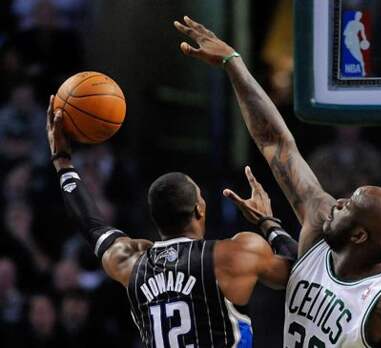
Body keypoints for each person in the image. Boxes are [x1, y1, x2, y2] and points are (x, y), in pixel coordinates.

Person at [175, 16, 381, 347]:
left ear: (359, 234)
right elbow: (276, 143)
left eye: (349, 205)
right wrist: (232, 63)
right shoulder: (323, 224)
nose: (337, 202)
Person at [45, 95, 298, 347]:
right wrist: (268, 223)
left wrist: (63, 162)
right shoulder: (232, 255)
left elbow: (92, 226)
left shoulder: (130, 261)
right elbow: (301, 273)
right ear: (199, 210)